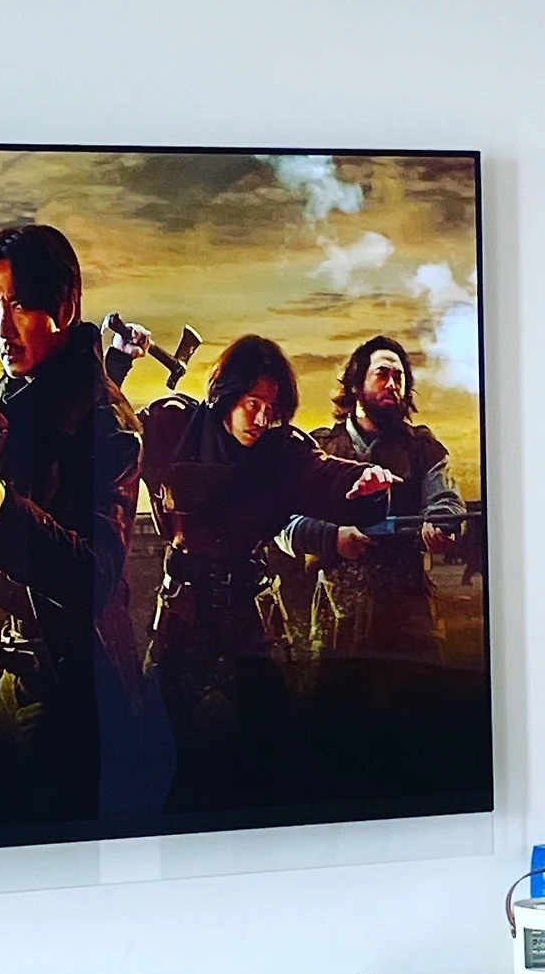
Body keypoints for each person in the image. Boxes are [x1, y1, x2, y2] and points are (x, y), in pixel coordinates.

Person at [0, 223, 163, 828]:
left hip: (76, 682)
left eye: (20, 306)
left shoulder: (108, 422)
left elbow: (98, 576)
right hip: (18, 669)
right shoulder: (20, 391)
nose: (2, 328)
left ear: (65, 307)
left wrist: (1, 513)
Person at [129, 335, 399, 812]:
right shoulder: (172, 426)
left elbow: (322, 472)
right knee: (153, 741)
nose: (259, 419)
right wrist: (118, 361)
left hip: (247, 612)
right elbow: (109, 437)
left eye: (270, 409)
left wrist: (362, 481)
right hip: (184, 611)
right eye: (252, 403)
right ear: (228, 394)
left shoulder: (282, 450)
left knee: (271, 742)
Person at [279, 336, 462, 663]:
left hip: (409, 616)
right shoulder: (318, 449)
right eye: (382, 374)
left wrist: (440, 524)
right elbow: (284, 524)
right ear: (356, 384)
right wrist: (331, 537)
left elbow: (445, 499)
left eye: (398, 377)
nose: (392, 385)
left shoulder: (422, 447)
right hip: (337, 617)